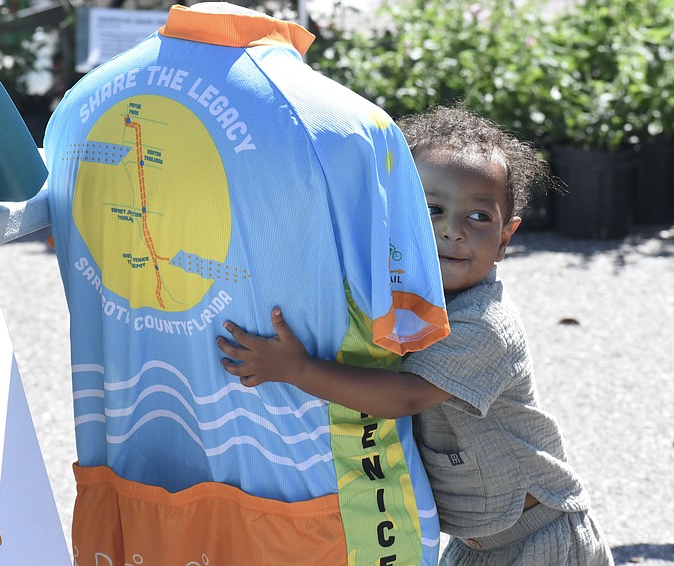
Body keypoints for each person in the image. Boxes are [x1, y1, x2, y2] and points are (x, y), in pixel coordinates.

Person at [44, 3, 450, 564]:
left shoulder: (76, 108)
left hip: (134, 492)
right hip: (317, 512)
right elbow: (409, 323)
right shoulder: (350, 127)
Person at [217, 105, 614, 565]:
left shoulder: (485, 324)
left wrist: (297, 369)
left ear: (505, 239)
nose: (453, 231)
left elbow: (405, 395)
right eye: (432, 210)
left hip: (541, 538)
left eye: (479, 217)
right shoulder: (402, 301)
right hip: (475, 543)